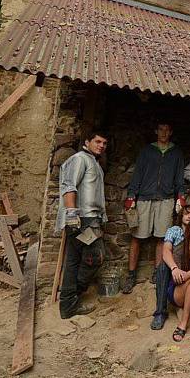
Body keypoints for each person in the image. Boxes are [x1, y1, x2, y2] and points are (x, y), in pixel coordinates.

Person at [123, 121, 185, 294]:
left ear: (170, 132)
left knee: (161, 238)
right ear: (156, 131)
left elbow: (179, 178)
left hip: (166, 199)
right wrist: (131, 195)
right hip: (144, 197)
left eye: (167, 130)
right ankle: (131, 274)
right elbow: (137, 174)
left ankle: (158, 272)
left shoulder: (176, 153)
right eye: (161, 130)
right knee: (137, 236)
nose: (164, 133)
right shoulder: (147, 151)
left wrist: (181, 197)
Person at [56, 130, 109, 319]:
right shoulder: (80, 159)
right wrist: (72, 214)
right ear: (87, 141)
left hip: (90, 218)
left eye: (104, 143)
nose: (101, 145)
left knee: (74, 260)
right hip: (82, 218)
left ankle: (68, 304)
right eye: (98, 141)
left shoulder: (94, 162)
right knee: (96, 257)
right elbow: (69, 185)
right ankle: (73, 296)